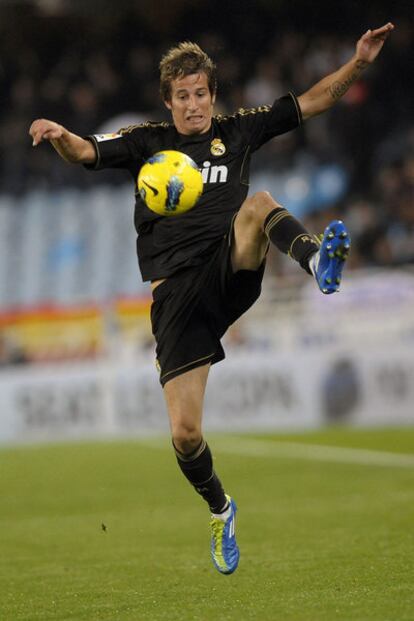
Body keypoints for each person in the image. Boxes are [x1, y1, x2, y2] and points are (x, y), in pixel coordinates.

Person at [29, 22, 394, 575]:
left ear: (212, 94)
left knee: (258, 203)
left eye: (201, 93)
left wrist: (359, 61)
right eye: (183, 96)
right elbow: (84, 151)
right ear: (168, 100)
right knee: (185, 433)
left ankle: (317, 260)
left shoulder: (238, 130)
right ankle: (221, 509)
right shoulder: (147, 143)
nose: (194, 105)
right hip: (175, 298)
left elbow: (315, 100)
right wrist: (59, 134)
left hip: (227, 268)